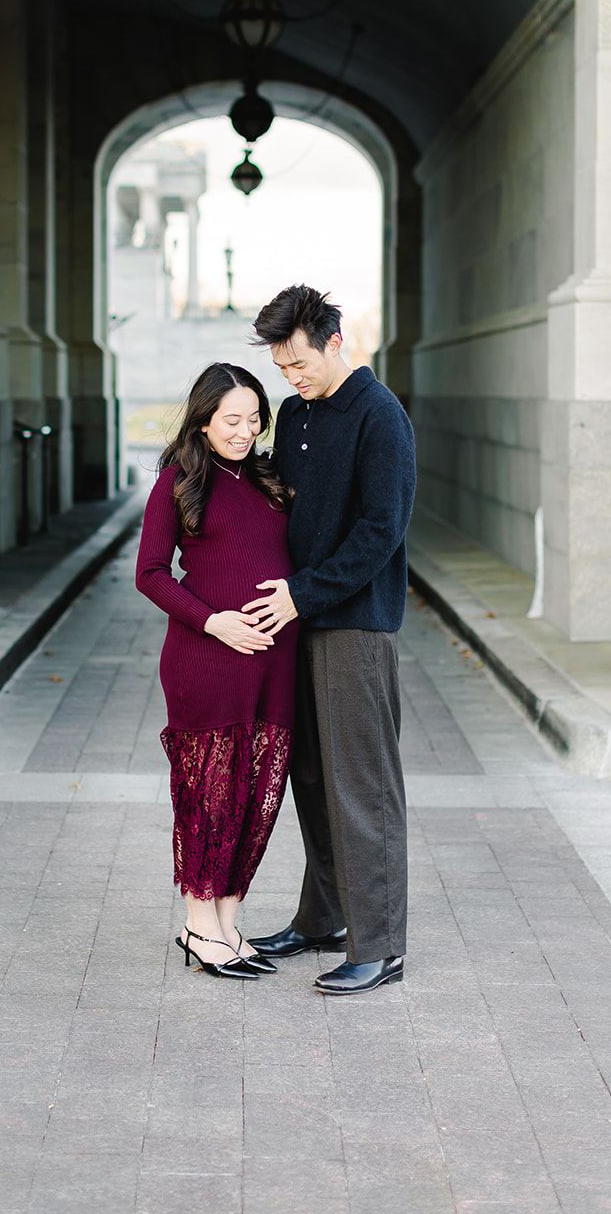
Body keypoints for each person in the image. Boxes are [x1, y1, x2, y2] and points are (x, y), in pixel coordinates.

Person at [244, 285, 416, 995]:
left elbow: (381, 531)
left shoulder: (380, 416)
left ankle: (380, 945)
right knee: (310, 780)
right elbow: (284, 499)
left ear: (334, 341)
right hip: (297, 623)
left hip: (353, 625)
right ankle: (324, 920)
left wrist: (302, 592)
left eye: (299, 363)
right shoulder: (294, 413)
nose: (292, 377)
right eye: (282, 369)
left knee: (362, 787)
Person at [135, 363, 297, 980]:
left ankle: (227, 918)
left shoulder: (269, 479)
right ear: (203, 420)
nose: (245, 431)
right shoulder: (178, 483)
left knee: (259, 793)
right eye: (232, 419)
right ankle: (198, 922)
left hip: (275, 663)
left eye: (255, 419)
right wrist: (214, 622)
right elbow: (149, 574)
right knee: (211, 792)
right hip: (207, 659)